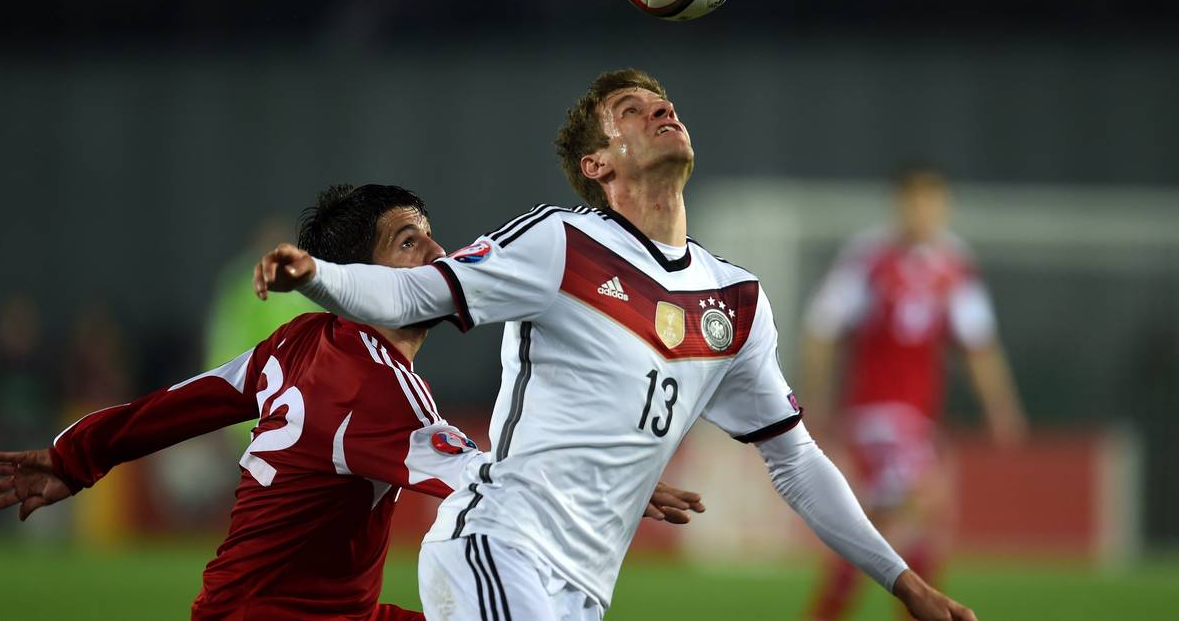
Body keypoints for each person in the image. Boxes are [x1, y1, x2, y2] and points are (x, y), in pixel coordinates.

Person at [253, 69, 978, 621]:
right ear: (597, 165)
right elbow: (417, 292)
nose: (662, 109)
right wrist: (320, 274)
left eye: (664, 102)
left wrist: (905, 583)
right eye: (630, 110)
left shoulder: (735, 301)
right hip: (498, 546)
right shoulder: (560, 243)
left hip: (584, 591)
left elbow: (796, 461)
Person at [0, 183, 708, 621]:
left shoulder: (302, 341)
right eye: (408, 242)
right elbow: (482, 478)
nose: (436, 254)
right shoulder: (373, 385)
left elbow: (187, 402)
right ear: (358, 279)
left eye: (430, 234)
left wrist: (76, 457)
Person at [800, 166, 1027, 621]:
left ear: (943, 207)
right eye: (913, 201)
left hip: (919, 419)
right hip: (875, 414)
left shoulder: (953, 265)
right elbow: (822, 328)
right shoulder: (869, 259)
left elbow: (977, 345)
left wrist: (1001, 407)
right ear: (898, 205)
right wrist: (815, 396)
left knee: (880, 530)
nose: (922, 211)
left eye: (931, 202)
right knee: (916, 514)